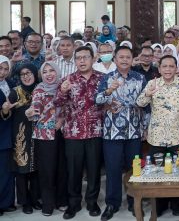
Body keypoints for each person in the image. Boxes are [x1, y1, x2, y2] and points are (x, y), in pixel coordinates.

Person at [136, 55, 179, 217]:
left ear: (176, 68)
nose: (168, 69)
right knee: (158, 172)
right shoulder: (152, 83)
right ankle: (159, 205)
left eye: (171, 66)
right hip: (157, 136)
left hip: (178, 136)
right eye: (164, 66)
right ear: (159, 69)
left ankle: (177, 205)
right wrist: (148, 94)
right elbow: (139, 103)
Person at [95, 46, 146, 220]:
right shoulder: (107, 78)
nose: (124, 60)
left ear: (132, 60)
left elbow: (147, 104)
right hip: (113, 132)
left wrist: (145, 127)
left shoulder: (140, 78)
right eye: (121, 57)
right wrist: (109, 90)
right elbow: (97, 100)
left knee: (134, 168)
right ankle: (112, 203)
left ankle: (134, 201)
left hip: (134, 131)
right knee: (113, 168)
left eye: (128, 57)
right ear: (115, 60)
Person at [53, 46, 103, 220]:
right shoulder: (68, 80)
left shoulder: (102, 79)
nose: (82, 61)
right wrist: (63, 91)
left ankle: (92, 202)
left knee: (94, 170)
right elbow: (57, 103)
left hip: (96, 131)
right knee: (73, 171)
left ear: (93, 59)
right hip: (73, 133)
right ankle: (73, 203)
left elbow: (108, 101)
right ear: (75, 61)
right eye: (78, 58)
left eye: (85, 57)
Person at [26, 61, 67, 216]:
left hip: (63, 133)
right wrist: (31, 112)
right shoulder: (39, 89)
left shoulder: (63, 87)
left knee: (62, 169)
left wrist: (61, 119)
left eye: (52, 70)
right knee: (47, 171)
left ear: (57, 72)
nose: (49, 74)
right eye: (45, 72)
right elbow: (35, 107)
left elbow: (68, 106)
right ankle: (48, 204)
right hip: (44, 135)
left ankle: (61, 201)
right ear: (41, 75)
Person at [1, 63, 40, 214]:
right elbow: (6, 114)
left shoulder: (40, 90)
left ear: (35, 74)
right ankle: (25, 202)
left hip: (38, 135)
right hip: (20, 136)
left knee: (36, 168)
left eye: (29, 73)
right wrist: (5, 110)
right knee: (22, 170)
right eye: (23, 74)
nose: (26, 76)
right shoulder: (15, 92)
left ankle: (35, 199)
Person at [0, 56, 17, 215]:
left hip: (11, 132)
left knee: (8, 170)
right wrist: (4, 111)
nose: (3, 72)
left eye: (6, 69)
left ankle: (7, 202)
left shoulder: (11, 84)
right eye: (0, 68)